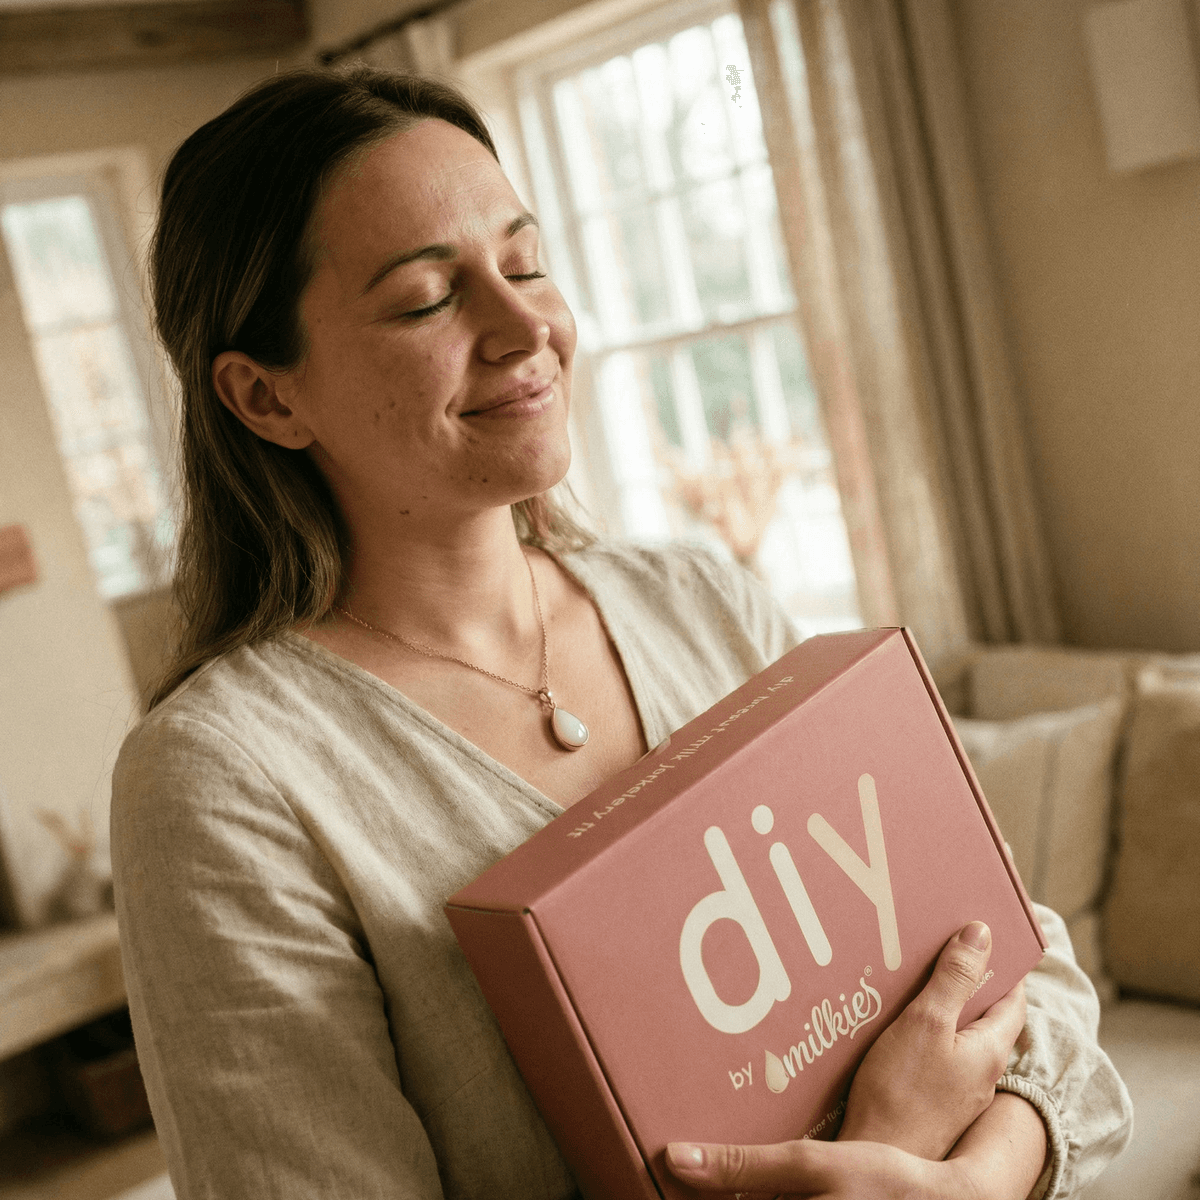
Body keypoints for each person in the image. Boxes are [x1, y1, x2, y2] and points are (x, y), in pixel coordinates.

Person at [111, 67, 1131, 1200]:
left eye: (526, 262)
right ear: (265, 398)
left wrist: (970, 1182)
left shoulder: (707, 603)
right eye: (424, 300)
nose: (523, 327)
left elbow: (1031, 973)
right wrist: (878, 1150)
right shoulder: (221, 780)